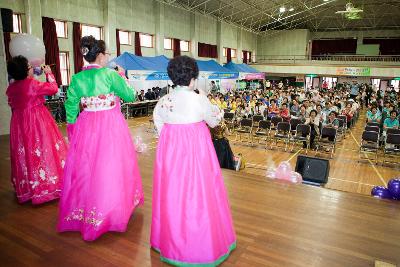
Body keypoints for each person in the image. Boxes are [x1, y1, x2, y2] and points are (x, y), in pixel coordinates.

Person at [151, 56, 236, 266]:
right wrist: (215, 106)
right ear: (193, 78)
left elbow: (159, 125)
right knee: (200, 192)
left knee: (173, 192)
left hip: (171, 154)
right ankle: (202, 241)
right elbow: (215, 120)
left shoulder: (164, 101)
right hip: (197, 153)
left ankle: (171, 241)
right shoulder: (199, 99)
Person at [57, 36, 143, 241]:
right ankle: (110, 210)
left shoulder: (77, 78)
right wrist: (123, 78)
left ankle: (86, 209)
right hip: (110, 125)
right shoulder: (110, 75)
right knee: (110, 165)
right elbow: (130, 96)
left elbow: (70, 105)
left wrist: (72, 128)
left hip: (85, 125)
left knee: (87, 167)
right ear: (102, 56)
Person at [6, 56, 68, 204]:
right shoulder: (32, 84)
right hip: (36, 121)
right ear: (26, 71)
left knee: (26, 150)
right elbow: (53, 89)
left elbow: (12, 102)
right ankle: (46, 186)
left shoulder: (11, 88)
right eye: (29, 67)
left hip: (19, 123)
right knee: (43, 147)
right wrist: (49, 74)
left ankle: (29, 186)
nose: (32, 68)